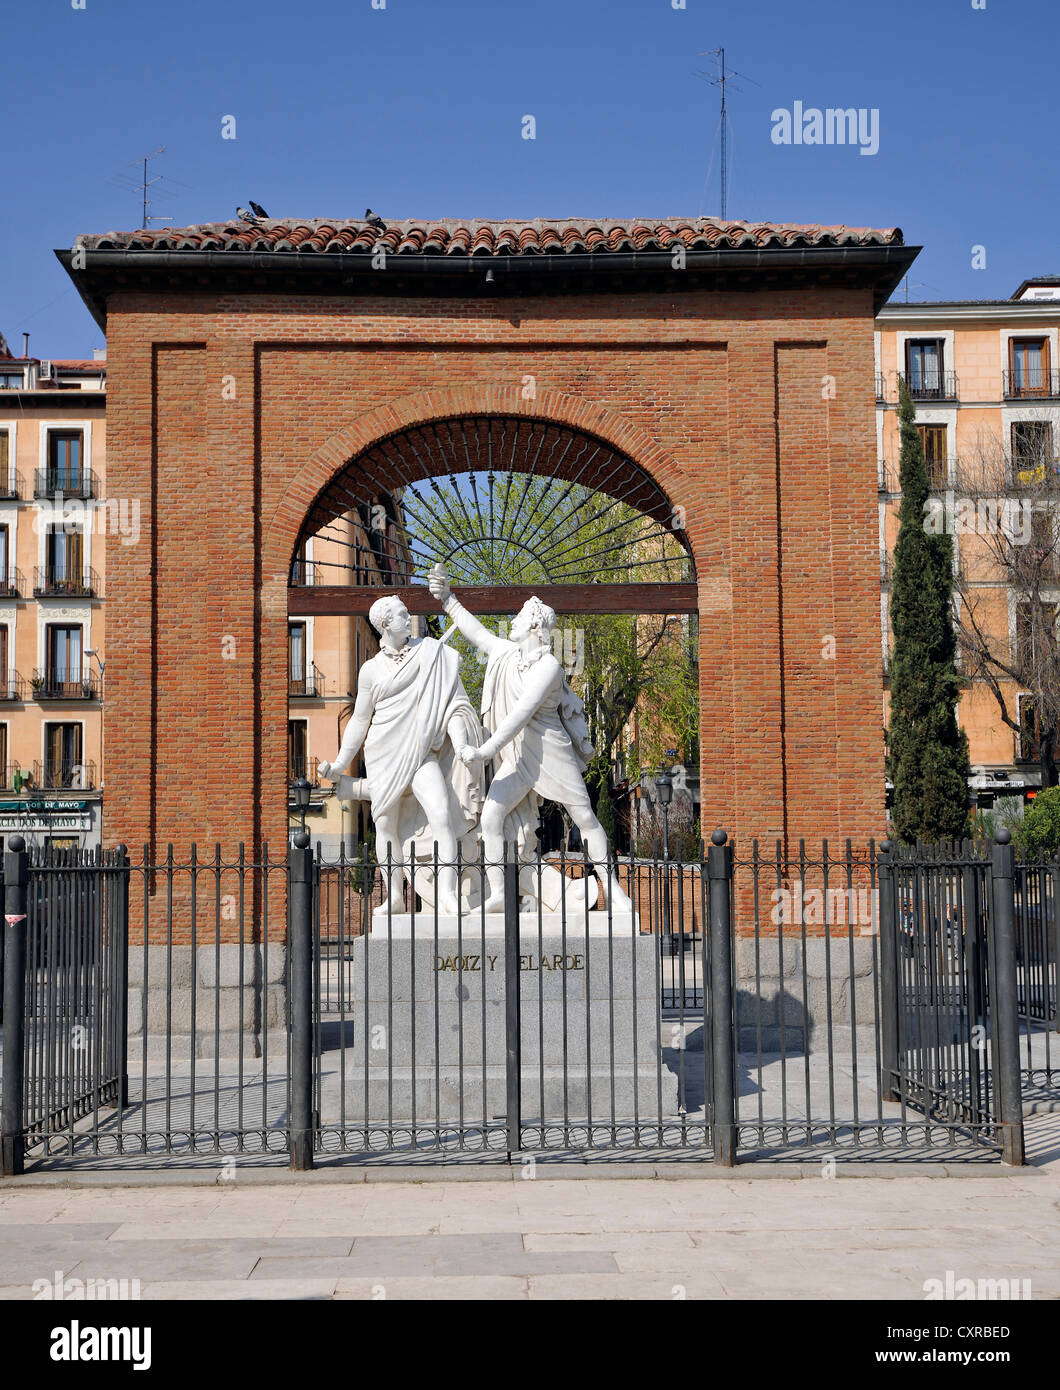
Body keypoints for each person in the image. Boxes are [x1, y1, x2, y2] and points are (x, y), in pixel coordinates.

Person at [428, 567, 634, 914]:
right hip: (518, 757)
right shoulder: (509, 655)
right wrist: (447, 598)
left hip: (551, 753)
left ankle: (611, 889)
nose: (513, 621)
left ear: (534, 626)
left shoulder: (550, 665)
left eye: (520, 617)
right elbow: (476, 632)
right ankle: (498, 894)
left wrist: (483, 751)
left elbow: (519, 715)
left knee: (585, 818)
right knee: (491, 817)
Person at [318, 595, 482, 916]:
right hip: (383, 753)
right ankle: (394, 896)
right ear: (385, 624)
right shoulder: (371, 670)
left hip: (420, 752)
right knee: (386, 827)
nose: (408, 618)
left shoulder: (428, 651)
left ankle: (447, 894)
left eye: (408, 614)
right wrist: (340, 763)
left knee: (441, 816)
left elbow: (448, 694)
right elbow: (360, 720)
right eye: (402, 614)